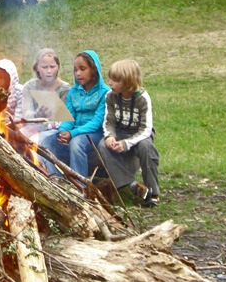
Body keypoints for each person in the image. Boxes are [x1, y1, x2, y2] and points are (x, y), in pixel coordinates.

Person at [96, 59, 160, 207]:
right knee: (103, 145)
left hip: (140, 135)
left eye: (115, 80)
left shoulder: (143, 98)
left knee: (146, 148)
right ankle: (130, 184)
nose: (110, 83)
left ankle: (153, 192)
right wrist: (110, 136)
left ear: (127, 82)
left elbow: (146, 129)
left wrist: (127, 144)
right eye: (110, 78)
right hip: (120, 132)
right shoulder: (110, 96)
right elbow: (109, 121)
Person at [39, 50, 108, 177]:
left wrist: (72, 134)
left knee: (77, 143)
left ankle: (80, 186)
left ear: (94, 70)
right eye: (76, 70)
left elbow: (96, 123)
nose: (78, 73)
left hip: (95, 134)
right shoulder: (73, 92)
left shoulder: (104, 92)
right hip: (74, 132)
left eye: (83, 69)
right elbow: (69, 117)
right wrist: (63, 131)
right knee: (46, 142)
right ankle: (56, 180)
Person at [20, 48, 71, 140]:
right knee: (17, 136)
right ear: (37, 68)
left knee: (38, 139)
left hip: (54, 130)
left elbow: (64, 118)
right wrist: (37, 114)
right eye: (44, 67)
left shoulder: (65, 89)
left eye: (52, 67)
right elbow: (26, 113)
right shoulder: (29, 87)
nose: (49, 71)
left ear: (58, 67)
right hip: (33, 127)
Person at [0, 59, 23, 124]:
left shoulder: (20, 92)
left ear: (10, 78)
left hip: (17, 129)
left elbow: (19, 121)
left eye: (1, 78)